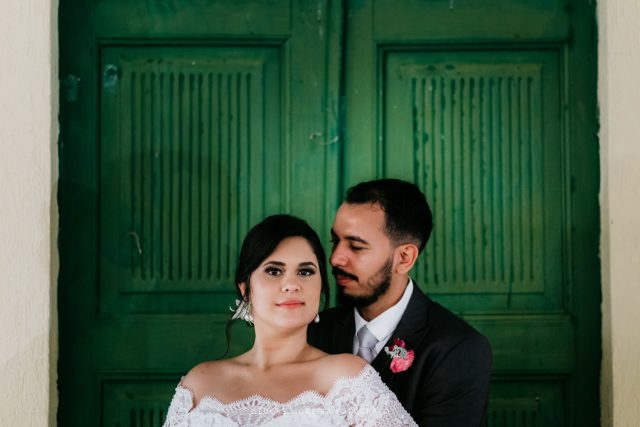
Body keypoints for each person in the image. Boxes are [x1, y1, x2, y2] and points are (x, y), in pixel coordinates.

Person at [163, 214, 417, 426]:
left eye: (305, 271)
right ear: (246, 289)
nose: (292, 284)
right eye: (274, 271)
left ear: (320, 287)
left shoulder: (347, 379)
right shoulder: (200, 383)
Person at [308, 179, 493, 426]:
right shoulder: (314, 330)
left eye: (356, 246)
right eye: (335, 241)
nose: (335, 259)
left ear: (404, 258)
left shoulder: (458, 350)